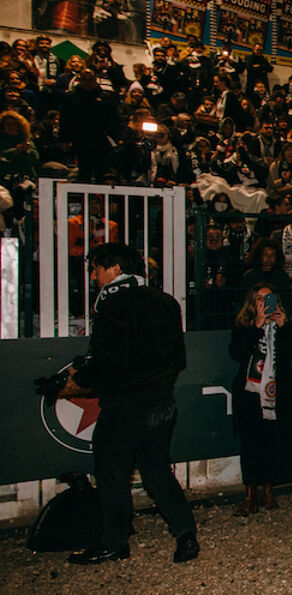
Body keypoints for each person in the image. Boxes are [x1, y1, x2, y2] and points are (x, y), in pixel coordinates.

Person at [57, 242, 199, 565]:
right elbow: (179, 357)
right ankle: (186, 533)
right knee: (157, 472)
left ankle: (114, 542)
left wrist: (77, 378)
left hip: (125, 406)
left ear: (116, 269)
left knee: (112, 475)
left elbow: (109, 363)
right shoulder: (166, 302)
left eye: (96, 268)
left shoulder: (112, 306)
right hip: (162, 401)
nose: (93, 276)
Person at [228, 283, 292, 516]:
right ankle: (249, 494)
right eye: (260, 300)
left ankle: (268, 491)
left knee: (273, 441)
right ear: (252, 304)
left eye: (269, 299)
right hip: (250, 395)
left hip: (278, 393)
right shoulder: (244, 326)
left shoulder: (284, 328)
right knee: (251, 443)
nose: (265, 304)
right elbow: (237, 352)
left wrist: (283, 326)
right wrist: (257, 326)